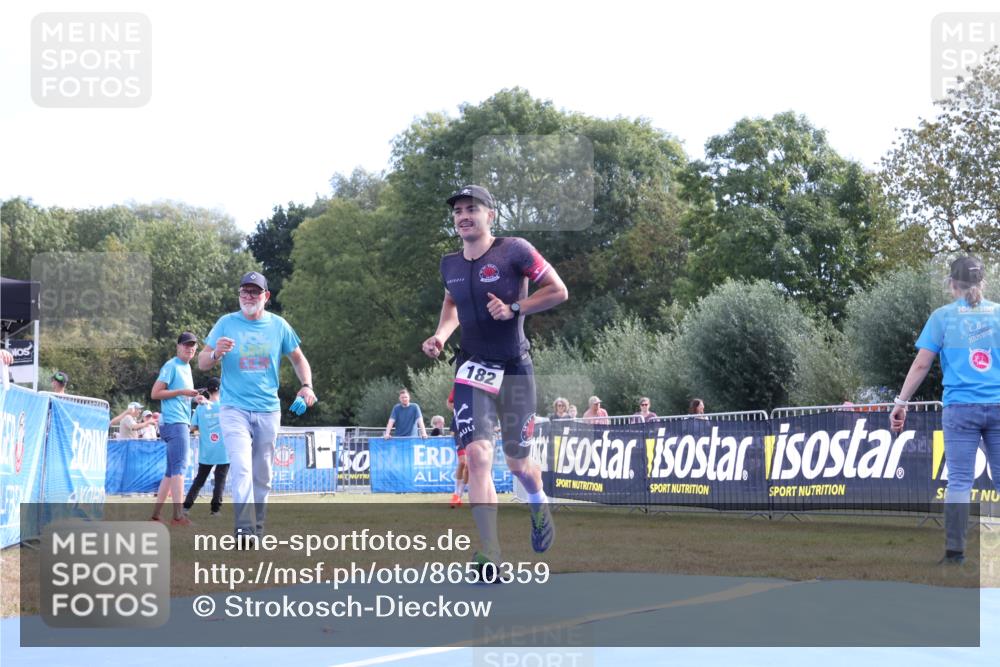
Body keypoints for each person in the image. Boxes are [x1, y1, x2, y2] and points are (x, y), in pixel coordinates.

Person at [422, 184, 568, 573]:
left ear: (491, 215)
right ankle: (491, 553)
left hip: (515, 367)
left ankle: (540, 507)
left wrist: (516, 307)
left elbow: (558, 290)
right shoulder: (449, 264)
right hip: (472, 367)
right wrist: (440, 335)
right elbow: (452, 302)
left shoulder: (514, 250)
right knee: (477, 456)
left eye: (472, 208)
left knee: (518, 463)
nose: (464, 216)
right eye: (458, 211)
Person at [890, 256, 1000, 565]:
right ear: (982, 283)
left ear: (952, 283)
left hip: (960, 408)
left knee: (960, 483)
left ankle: (955, 554)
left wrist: (901, 403)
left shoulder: (942, 317)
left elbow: (922, 363)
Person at [199, 271, 316, 541]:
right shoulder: (225, 323)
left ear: (266, 296)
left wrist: (307, 385)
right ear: (239, 294)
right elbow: (203, 362)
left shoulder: (279, 326)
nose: (248, 296)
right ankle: (244, 529)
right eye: (244, 291)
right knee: (241, 467)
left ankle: (257, 527)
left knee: (262, 473)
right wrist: (216, 353)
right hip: (232, 409)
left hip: (267, 409)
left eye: (255, 292)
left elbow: (299, 359)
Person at [150, 331, 203, 526]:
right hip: (176, 423)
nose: (190, 348)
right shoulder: (172, 365)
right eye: (186, 344)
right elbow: (155, 393)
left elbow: (179, 396)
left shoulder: (186, 367)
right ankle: (178, 516)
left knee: (171, 471)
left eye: (193, 345)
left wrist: (194, 398)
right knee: (180, 468)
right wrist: (181, 391)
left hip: (178, 421)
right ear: (178, 346)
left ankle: (156, 514)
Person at [183, 376, 230, 517]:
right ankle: (215, 510)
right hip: (224, 449)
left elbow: (192, 427)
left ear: (207, 390)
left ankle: (186, 507)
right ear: (220, 389)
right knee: (220, 480)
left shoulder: (200, 408)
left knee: (200, 480)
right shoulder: (225, 406)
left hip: (206, 450)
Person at [447, 386, 468, 508]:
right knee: (462, 462)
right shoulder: (460, 385)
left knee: (470, 466)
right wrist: (457, 411)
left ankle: (461, 493)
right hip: (460, 428)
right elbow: (449, 402)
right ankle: (456, 494)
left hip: (476, 428)